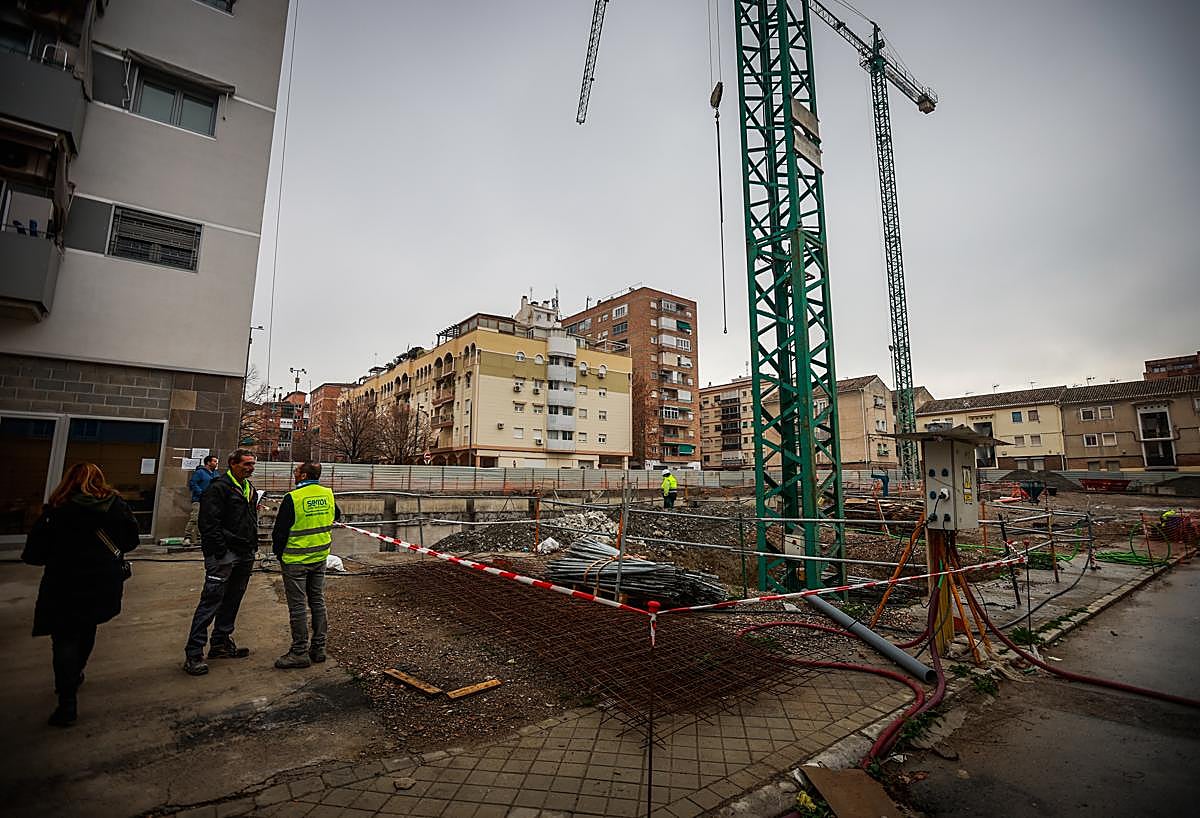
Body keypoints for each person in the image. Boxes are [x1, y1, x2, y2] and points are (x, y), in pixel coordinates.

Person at [22, 463, 139, 727]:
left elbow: (34, 553)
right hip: (100, 579)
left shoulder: (56, 509)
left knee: (64, 637)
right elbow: (131, 541)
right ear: (100, 480)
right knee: (86, 628)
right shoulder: (113, 504)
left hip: (63, 580)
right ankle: (74, 674)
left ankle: (67, 699)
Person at [183, 449, 259, 676]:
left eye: (252, 464)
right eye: (246, 464)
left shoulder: (248, 489)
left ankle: (220, 643)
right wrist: (219, 551)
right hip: (224, 556)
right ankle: (194, 652)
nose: (250, 467)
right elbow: (209, 524)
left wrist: (251, 546)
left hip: (244, 553)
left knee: (233, 599)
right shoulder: (218, 488)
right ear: (233, 464)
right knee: (211, 601)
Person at [272, 461, 341, 669]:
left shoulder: (293, 498)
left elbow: (280, 531)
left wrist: (279, 554)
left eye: (296, 471)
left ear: (303, 476)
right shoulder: (327, 494)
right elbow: (336, 516)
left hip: (295, 560)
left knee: (298, 607)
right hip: (319, 556)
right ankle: (319, 648)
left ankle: (299, 651)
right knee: (318, 602)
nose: (294, 474)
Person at [183, 454, 219, 545]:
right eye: (214, 461)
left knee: (205, 520)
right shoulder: (200, 472)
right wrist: (202, 493)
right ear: (208, 462)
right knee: (195, 518)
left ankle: (200, 538)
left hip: (210, 501)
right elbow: (193, 484)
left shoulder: (215, 474)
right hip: (199, 500)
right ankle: (187, 537)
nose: (216, 463)